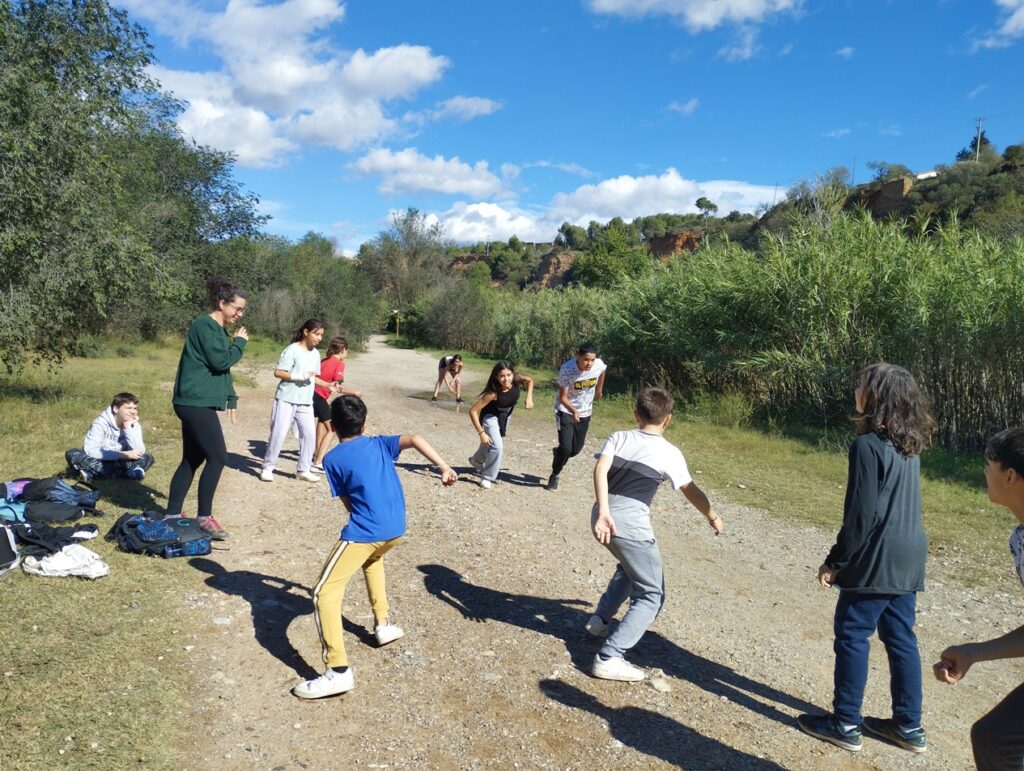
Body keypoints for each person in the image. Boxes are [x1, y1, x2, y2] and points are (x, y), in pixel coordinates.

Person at [798, 363, 934, 754]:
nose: (856, 390)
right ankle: (908, 727)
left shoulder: (867, 446)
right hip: (910, 555)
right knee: (900, 637)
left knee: (853, 633)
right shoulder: (910, 445)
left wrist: (835, 561)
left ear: (875, 396)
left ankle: (844, 724)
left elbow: (861, 516)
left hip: (877, 555)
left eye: (862, 385)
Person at [292, 395, 457, 699]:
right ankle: (383, 624)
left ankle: (337, 671)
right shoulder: (380, 443)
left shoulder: (332, 460)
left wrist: (363, 524)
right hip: (396, 528)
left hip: (367, 532)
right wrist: (444, 467)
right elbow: (415, 438)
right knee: (372, 559)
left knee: (323, 592)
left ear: (332, 427)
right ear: (364, 424)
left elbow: (348, 504)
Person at [587, 386, 721, 681]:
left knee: (629, 567)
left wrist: (604, 510)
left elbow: (600, 469)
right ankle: (609, 657)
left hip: (601, 517)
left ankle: (600, 620)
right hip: (630, 527)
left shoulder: (619, 436)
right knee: (651, 595)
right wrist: (712, 515)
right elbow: (690, 490)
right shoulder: (669, 452)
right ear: (668, 419)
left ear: (636, 414)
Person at [933, 426, 1024, 770]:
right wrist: (974, 653)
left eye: (990, 465)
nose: (985, 472)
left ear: (1010, 476)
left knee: (995, 740)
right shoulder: (1020, 538)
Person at [165, 277, 248, 540]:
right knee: (218, 457)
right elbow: (221, 361)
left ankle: (172, 516)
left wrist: (230, 396)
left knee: (193, 458)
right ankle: (204, 518)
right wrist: (240, 343)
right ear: (222, 303)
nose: (239, 314)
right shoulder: (204, 326)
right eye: (237, 308)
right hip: (193, 402)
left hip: (196, 401)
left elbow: (220, 371)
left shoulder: (218, 330)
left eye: (242, 310)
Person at [259, 319, 334, 483]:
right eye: (316, 334)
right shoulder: (292, 350)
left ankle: (303, 469)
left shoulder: (315, 354)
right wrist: (298, 376)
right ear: (306, 332)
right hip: (286, 399)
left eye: (321, 335)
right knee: (278, 433)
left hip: (306, 401)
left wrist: (328, 385)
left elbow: (312, 377)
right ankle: (268, 467)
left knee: (309, 435)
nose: (319, 338)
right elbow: (278, 372)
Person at [544, 343, 607, 491]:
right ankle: (555, 475)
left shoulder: (598, 365)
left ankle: (558, 453)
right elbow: (563, 397)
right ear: (578, 356)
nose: (589, 363)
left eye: (592, 360)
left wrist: (599, 389)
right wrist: (573, 411)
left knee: (575, 450)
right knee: (566, 448)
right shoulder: (567, 369)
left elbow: (603, 370)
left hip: (585, 411)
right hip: (565, 410)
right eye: (586, 359)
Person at [467, 360, 534, 489]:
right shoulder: (493, 393)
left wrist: (529, 397)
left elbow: (530, 381)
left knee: (491, 442)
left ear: (513, 374)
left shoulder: (516, 380)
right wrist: (481, 433)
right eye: (502, 376)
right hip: (490, 417)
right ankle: (487, 477)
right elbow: (473, 411)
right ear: (496, 377)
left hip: (505, 415)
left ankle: (476, 460)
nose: (506, 379)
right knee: (497, 447)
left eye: (508, 375)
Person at [65, 393, 155, 482]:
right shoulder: (100, 423)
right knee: (73, 453)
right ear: (116, 409)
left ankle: (91, 473)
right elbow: (91, 451)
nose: (133, 412)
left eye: (135, 408)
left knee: (148, 457)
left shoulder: (133, 424)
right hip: (102, 459)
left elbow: (140, 451)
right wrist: (123, 454)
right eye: (129, 408)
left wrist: (128, 429)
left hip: (122, 462)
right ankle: (128, 474)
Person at [311, 336, 362, 472]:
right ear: (343, 349)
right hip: (318, 396)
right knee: (332, 428)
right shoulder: (339, 364)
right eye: (347, 350)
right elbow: (337, 387)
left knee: (322, 422)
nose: (347, 353)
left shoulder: (324, 360)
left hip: (311, 394)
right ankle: (318, 463)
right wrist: (354, 392)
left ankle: (316, 452)